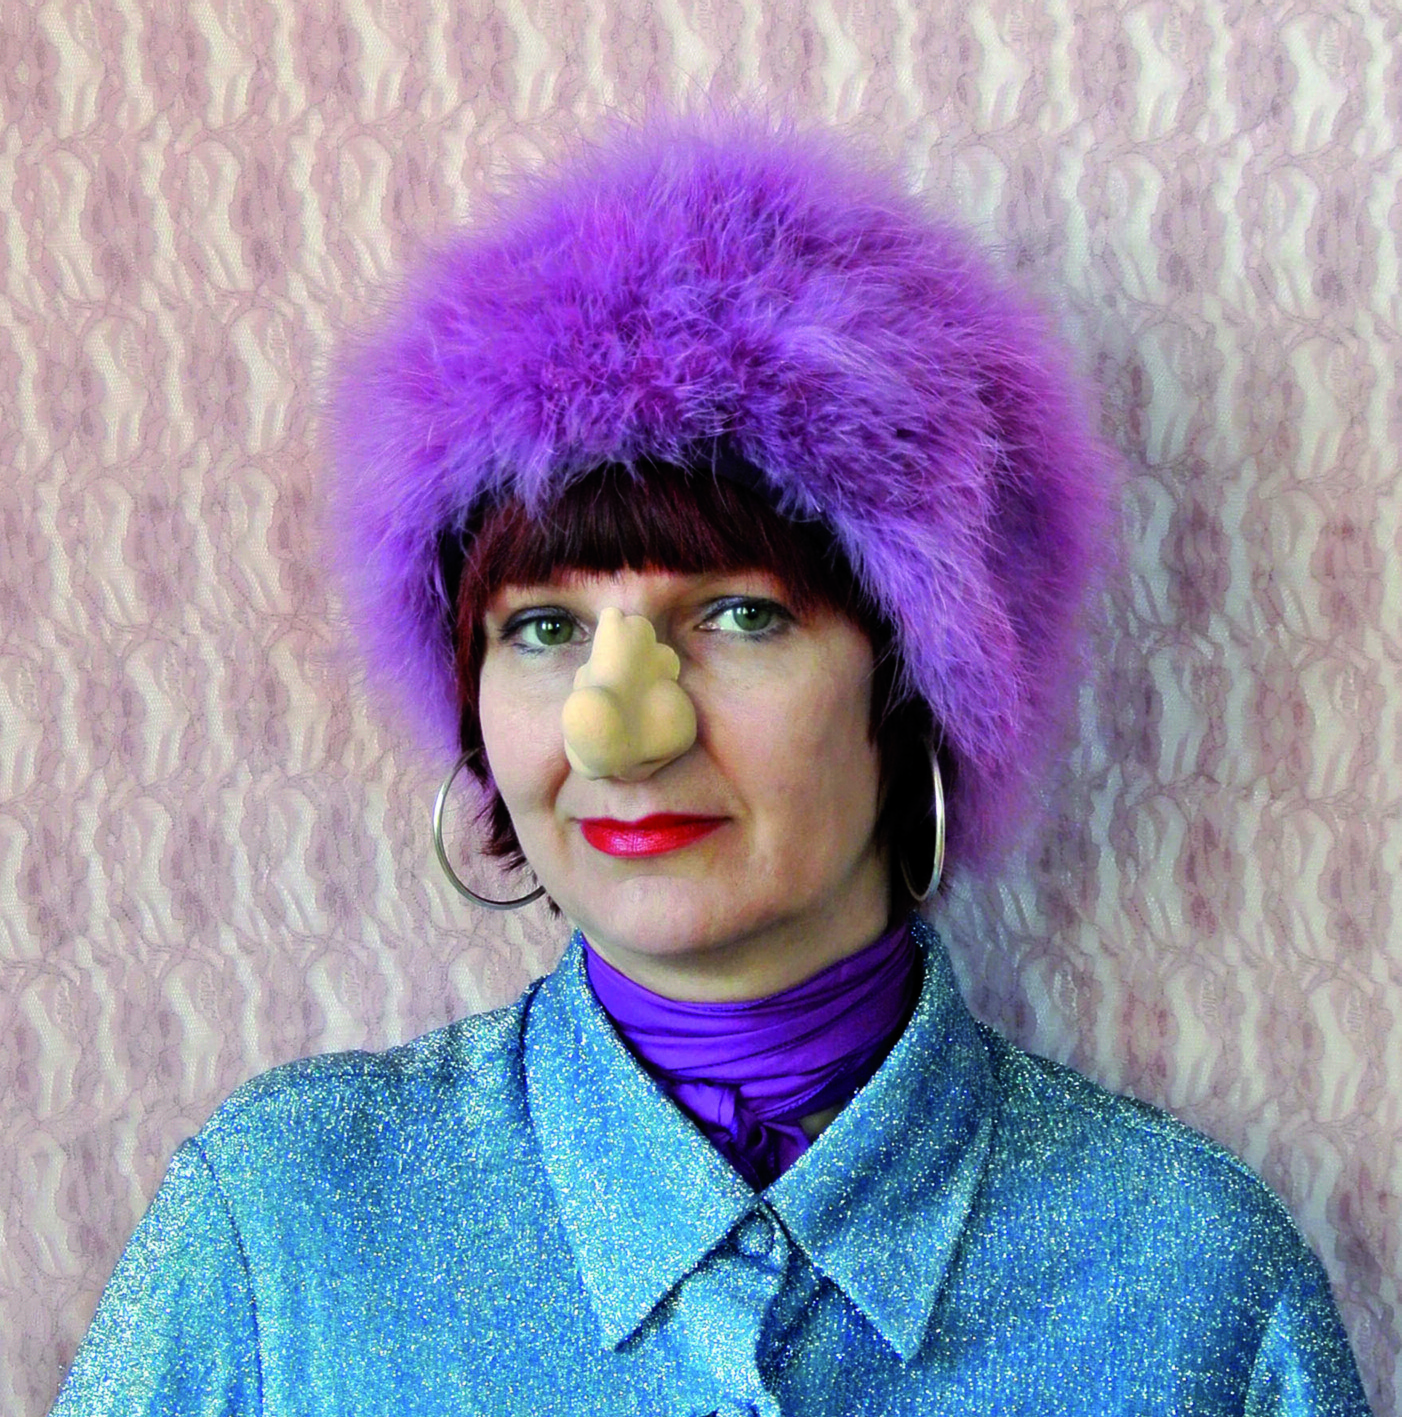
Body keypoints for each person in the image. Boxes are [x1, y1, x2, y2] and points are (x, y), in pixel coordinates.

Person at [49, 110, 1371, 1416]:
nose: (620, 730)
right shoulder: (280, 1230)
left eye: (739, 614)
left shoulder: (1194, 1285)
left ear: (920, 678)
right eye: (545, 628)